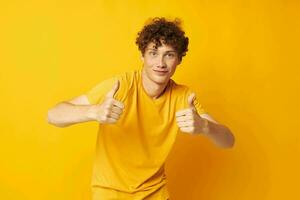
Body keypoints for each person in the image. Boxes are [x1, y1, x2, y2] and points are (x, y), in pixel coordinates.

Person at [47, 17, 235, 200]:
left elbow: (228, 141)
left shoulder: (183, 96)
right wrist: (93, 111)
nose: (160, 63)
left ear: (179, 59)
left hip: (155, 193)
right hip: (110, 193)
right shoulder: (120, 86)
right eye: (153, 53)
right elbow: (53, 115)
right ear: (142, 56)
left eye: (169, 55)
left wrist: (204, 126)